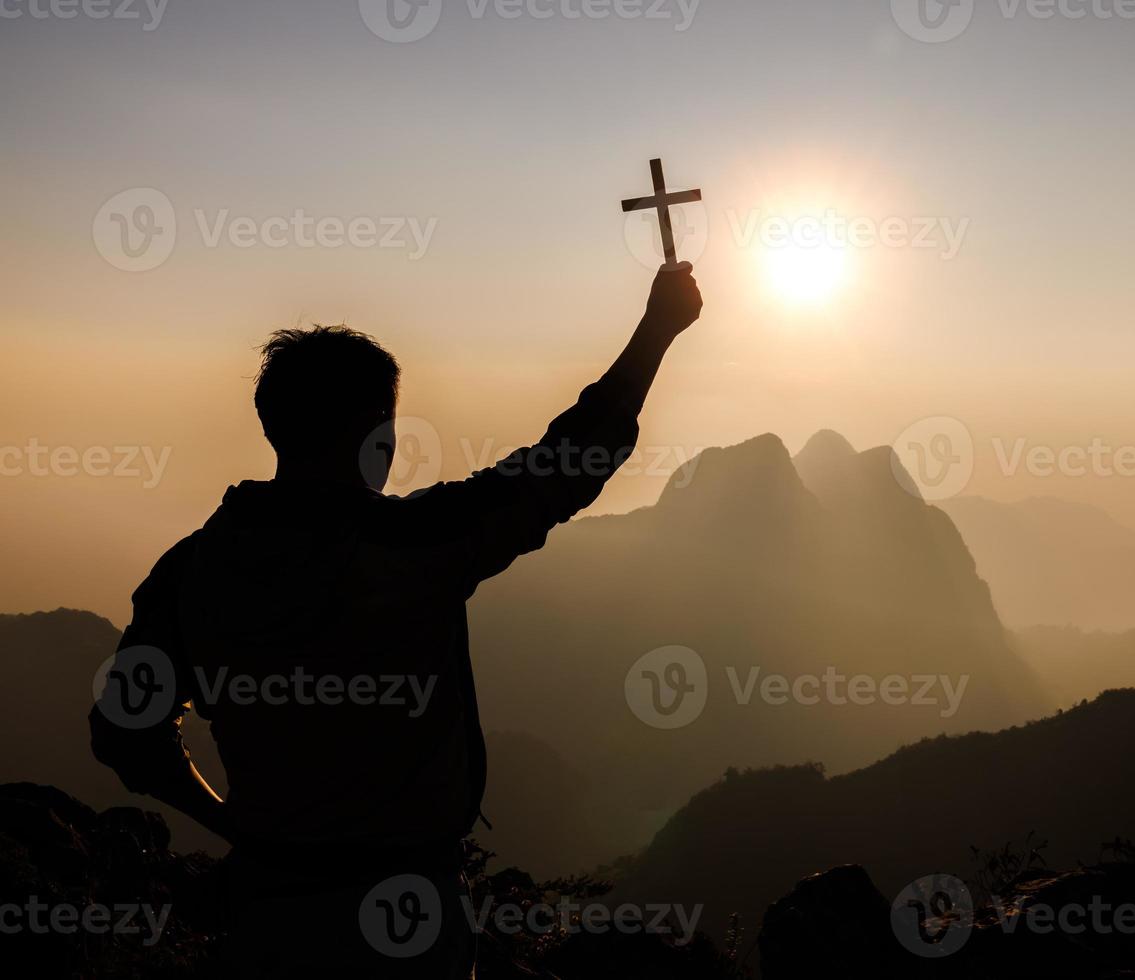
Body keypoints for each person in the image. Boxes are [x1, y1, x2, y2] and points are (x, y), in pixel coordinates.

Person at [88, 265, 704, 978]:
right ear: (372, 430)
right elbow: (567, 463)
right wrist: (657, 332)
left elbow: (126, 733)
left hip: (269, 919)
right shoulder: (419, 544)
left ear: (275, 424)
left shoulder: (188, 573)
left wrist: (232, 825)